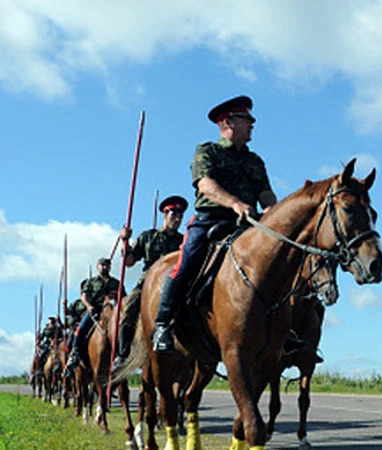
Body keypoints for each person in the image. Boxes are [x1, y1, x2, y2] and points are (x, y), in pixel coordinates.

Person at [153, 95, 277, 351]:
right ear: (228, 122)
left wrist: (274, 213)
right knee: (186, 264)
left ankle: (282, 331)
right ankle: (163, 324)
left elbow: (265, 193)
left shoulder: (255, 161)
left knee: (279, 266)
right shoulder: (207, 151)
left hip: (247, 225)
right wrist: (234, 203)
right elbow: (205, 185)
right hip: (210, 222)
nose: (252, 124)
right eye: (246, 120)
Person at [112, 195, 186, 369]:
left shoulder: (184, 240)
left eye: (181, 215)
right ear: (164, 214)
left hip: (176, 279)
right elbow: (129, 262)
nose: (177, 219)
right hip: (149, 281)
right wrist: (125, 241)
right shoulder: (148, 236)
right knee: (130, 308)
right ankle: (123, 355)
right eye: (173, 214)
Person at [65, 258, 123, 373]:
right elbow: (84, 296)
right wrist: (89, 306)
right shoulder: (91, 282)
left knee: (125, 328)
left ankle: (124, 354)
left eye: (107, 265)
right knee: (80, 330)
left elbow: (124, 298)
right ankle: (75, 355)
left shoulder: (116, 283)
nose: (104, 267)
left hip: (111, 311)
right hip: (94, 310)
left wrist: (116, 296)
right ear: (98, 267)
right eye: (102, 265)